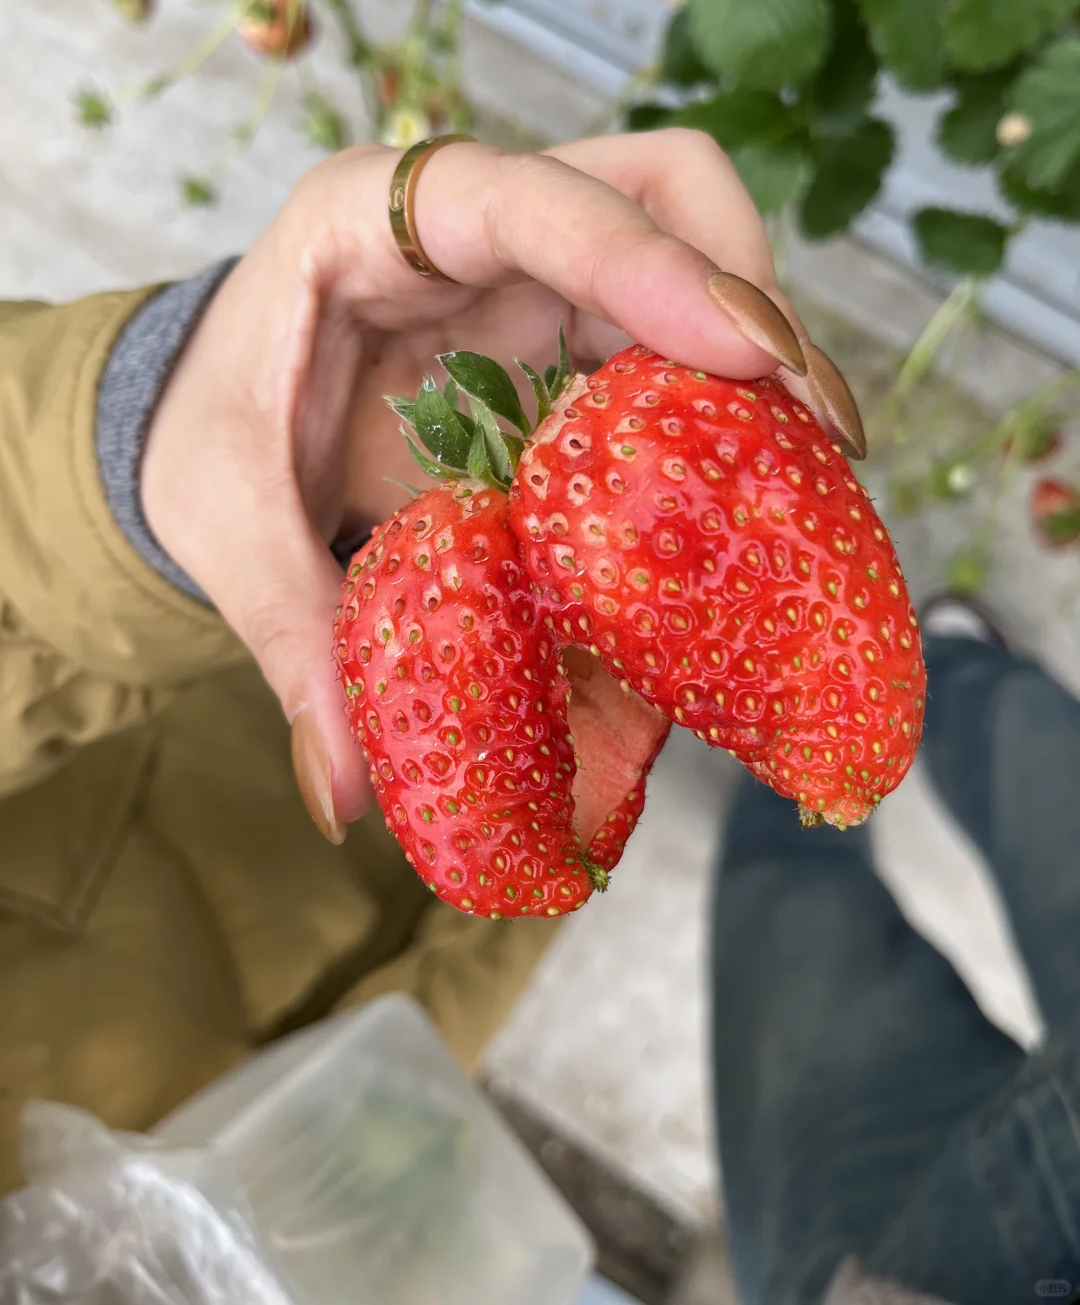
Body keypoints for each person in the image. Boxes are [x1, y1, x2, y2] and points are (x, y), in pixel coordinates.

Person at [0, 130, 863, 1195]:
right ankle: (834, 770)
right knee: (800, 819)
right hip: (479, 765)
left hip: (317, 594)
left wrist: (125, 475)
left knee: (802, 802)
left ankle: (879, 737)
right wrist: (496, 935)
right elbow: (351, 1126)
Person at [712, 595, 1080, 1304]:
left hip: (879, 1274)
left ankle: (828, 703)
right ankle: (938, 676)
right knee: (789, 908)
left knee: (788, 907)